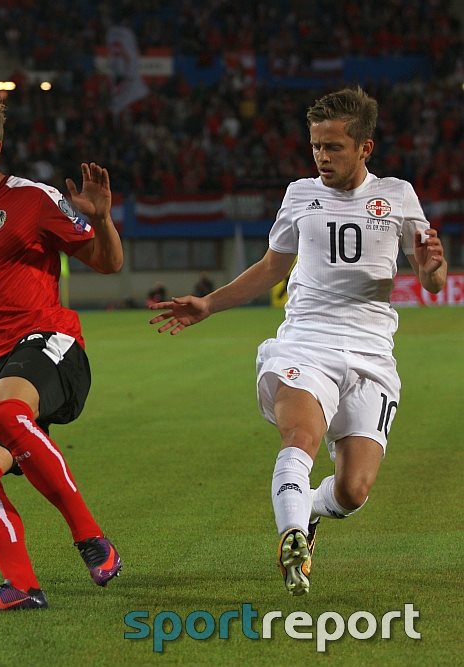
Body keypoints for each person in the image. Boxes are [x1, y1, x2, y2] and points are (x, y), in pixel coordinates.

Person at [148, 87, 447, 596]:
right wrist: (208, 304)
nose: (322, 157)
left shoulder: (397, 196)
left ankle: (305, 510)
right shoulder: (299, 194)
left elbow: (431, 278)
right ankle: (292, 539)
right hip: (306, 341)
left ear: (364, 148)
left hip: (372, 353)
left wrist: (433, 265)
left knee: (353, 492)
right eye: (316, 147)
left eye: (333, 147)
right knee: (300, 438)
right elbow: (271, 267)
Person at [0, 92, 124, 614]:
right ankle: (22, 587)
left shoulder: (33, 199)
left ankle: (92, 539)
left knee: (4, 412)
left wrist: (101, 220)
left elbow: (109, 263)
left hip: (51, 344)